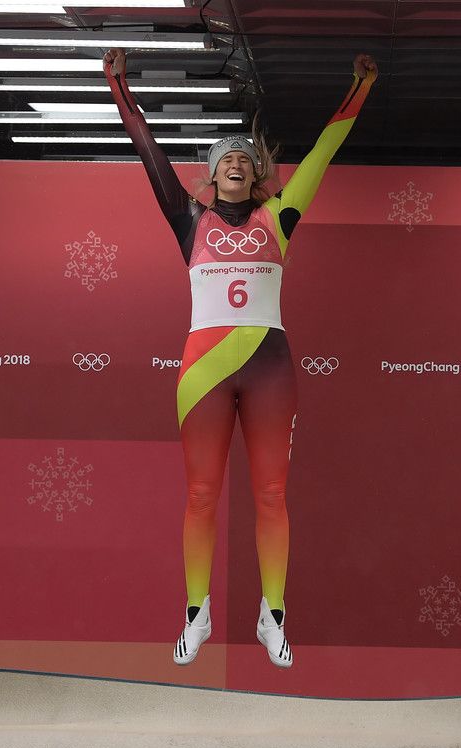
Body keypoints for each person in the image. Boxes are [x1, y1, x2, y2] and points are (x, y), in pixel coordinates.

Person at [103, 47, 378, 668]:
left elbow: (324, 151)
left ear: (256, 174)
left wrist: (359, 86)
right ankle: (196, 613)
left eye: (244, 157)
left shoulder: (279, 217)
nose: (234, 161)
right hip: (202, 370)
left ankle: (271, 615)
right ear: (211, 173)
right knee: (201, 496)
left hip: (270, 370)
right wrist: (120, 87)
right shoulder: (188, 218)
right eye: (224, 157)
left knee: (272, 496)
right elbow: (149, 154)